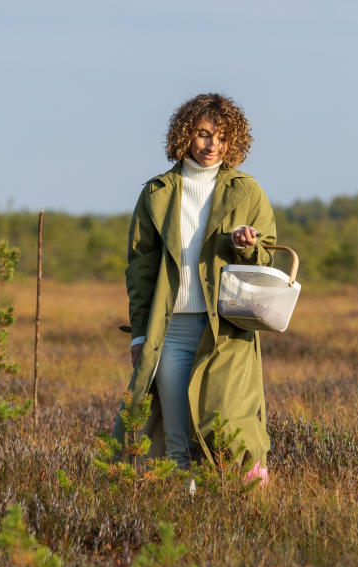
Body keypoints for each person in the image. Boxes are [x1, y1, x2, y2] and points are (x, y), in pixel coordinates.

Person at [113, 93, 275, 479]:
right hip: (169, 331)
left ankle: (246, 501)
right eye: (203, 135)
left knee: (228, 429)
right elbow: (140, 272)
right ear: (185, 135)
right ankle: (186, 517)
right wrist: (139, 335)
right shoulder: (156, 194)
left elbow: (270, 258)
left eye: (221, 138)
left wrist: (247, 247)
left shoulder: (247, 191)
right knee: (176, 438)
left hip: (227, 331)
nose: (212, 146)